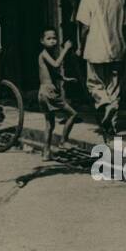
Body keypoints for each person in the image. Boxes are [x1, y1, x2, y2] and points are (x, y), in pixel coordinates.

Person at [75, 0, 126, 142]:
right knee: (114, 87)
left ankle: (104, 105)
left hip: (95, 48)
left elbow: (84, 28)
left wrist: (80, 47)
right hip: (118, 48)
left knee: (95, 84)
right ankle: (111, 126)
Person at [37, 30, 78, 159]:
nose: (53, 41)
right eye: (49, 38)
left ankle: (46, 152)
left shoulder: (45, 55)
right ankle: (63, 141)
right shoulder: (44, 54)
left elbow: (49, 73)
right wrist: (65, 49)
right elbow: (56, 64)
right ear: (42, 41)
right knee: (73, 114)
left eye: (54, 38)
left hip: (42, 92)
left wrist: (64, 78)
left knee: (49, 124)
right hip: (49, 92)